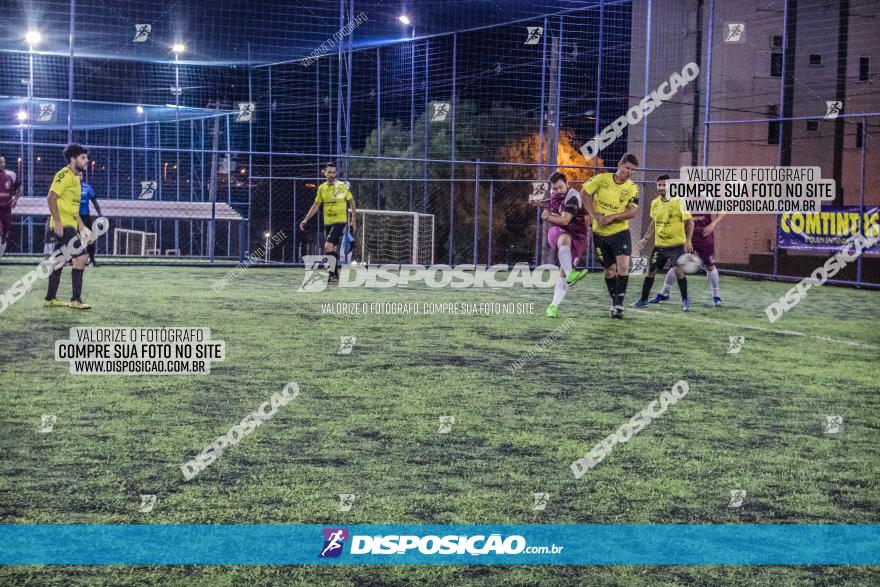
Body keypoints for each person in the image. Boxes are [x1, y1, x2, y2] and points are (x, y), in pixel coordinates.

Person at [567, 153, 640, 319]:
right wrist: (593, 214)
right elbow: (583, 194)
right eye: (627, 167)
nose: (629, 172)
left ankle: (619, 304)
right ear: (620, 164)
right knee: (609, 270)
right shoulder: (601, 179)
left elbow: (633, 211)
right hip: (600, 233)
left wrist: (613, 216)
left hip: (620, 232)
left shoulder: (632, 188)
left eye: (633, 170)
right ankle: (615, 301)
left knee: (622, 266)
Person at [634, 175, 694, 310]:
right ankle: (643, 300)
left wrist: (688, 240)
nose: (661, 187)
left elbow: (690, 221)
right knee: (650, 271)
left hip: (676, 245)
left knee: (678, 271)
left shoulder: (679, 201)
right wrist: (645, 239)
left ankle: (685, 300)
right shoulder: (655, 203)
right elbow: (654, 222)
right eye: (659, 185)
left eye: (664, 185)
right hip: (659, 246)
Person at [45, 144, 91, 309]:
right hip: (62, 226)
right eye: (83, 158)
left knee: (59, 261)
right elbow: (51, 198)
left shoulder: (77, 178)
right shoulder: (63, 174)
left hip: (70, 226)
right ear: (73, 159)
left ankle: (50, 298)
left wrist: (83, 227)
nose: (86, 161)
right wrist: (57, 222)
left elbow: (74, 208)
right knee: (82, 257)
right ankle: (75, 300)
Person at [299, 162, 358, 281]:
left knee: (327, 246)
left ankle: (333, 274)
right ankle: (335, 275)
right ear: (324, 173)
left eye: (334, 172)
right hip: (328, 222)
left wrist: (353, 220)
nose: (332, 175)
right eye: (329, 172)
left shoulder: (341, 186)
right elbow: (316, 205)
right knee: (332, 248)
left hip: (340, 221)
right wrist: (305, 219)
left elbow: (352, 202)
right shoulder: (322, 188)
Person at [541, 172, 588, 318]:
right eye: (555, 188)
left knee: (563, 274)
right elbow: (552, 201)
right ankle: (571, 274)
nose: (558, 191)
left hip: (577, 235)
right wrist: (538, 203)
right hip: (559, 232)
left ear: (567, 184)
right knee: (564, 238)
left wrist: (548, 217)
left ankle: (553, 307)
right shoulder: (556, 193)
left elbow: (566, 220)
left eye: (561, 187)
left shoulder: (573, 197)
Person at [653, 213, 725, 307]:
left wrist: (713, 224)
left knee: (710, 266)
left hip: (704, 235)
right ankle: (664, 293)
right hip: (684, 235)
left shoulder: (711, 198)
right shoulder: (681, 198)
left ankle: (716, 296)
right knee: (677, 264)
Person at [0, 154, 21, 260]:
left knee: (5, 234)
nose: (2, 164)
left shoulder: (11, 175)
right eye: (0, 162)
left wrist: (15, 199)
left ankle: (1, 253)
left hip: (6, 209)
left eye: (3, 162)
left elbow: (19, 188)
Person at [79, 178, 103, 266]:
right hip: (73, 217)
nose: (79, 176)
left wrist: (100, 215)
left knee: (89, 238)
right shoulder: (70, 187)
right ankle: (70, 260)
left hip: (85, 216)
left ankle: (91, 259)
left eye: (81, 174)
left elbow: (95, 202)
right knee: (73, 239)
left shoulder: (87, 187)